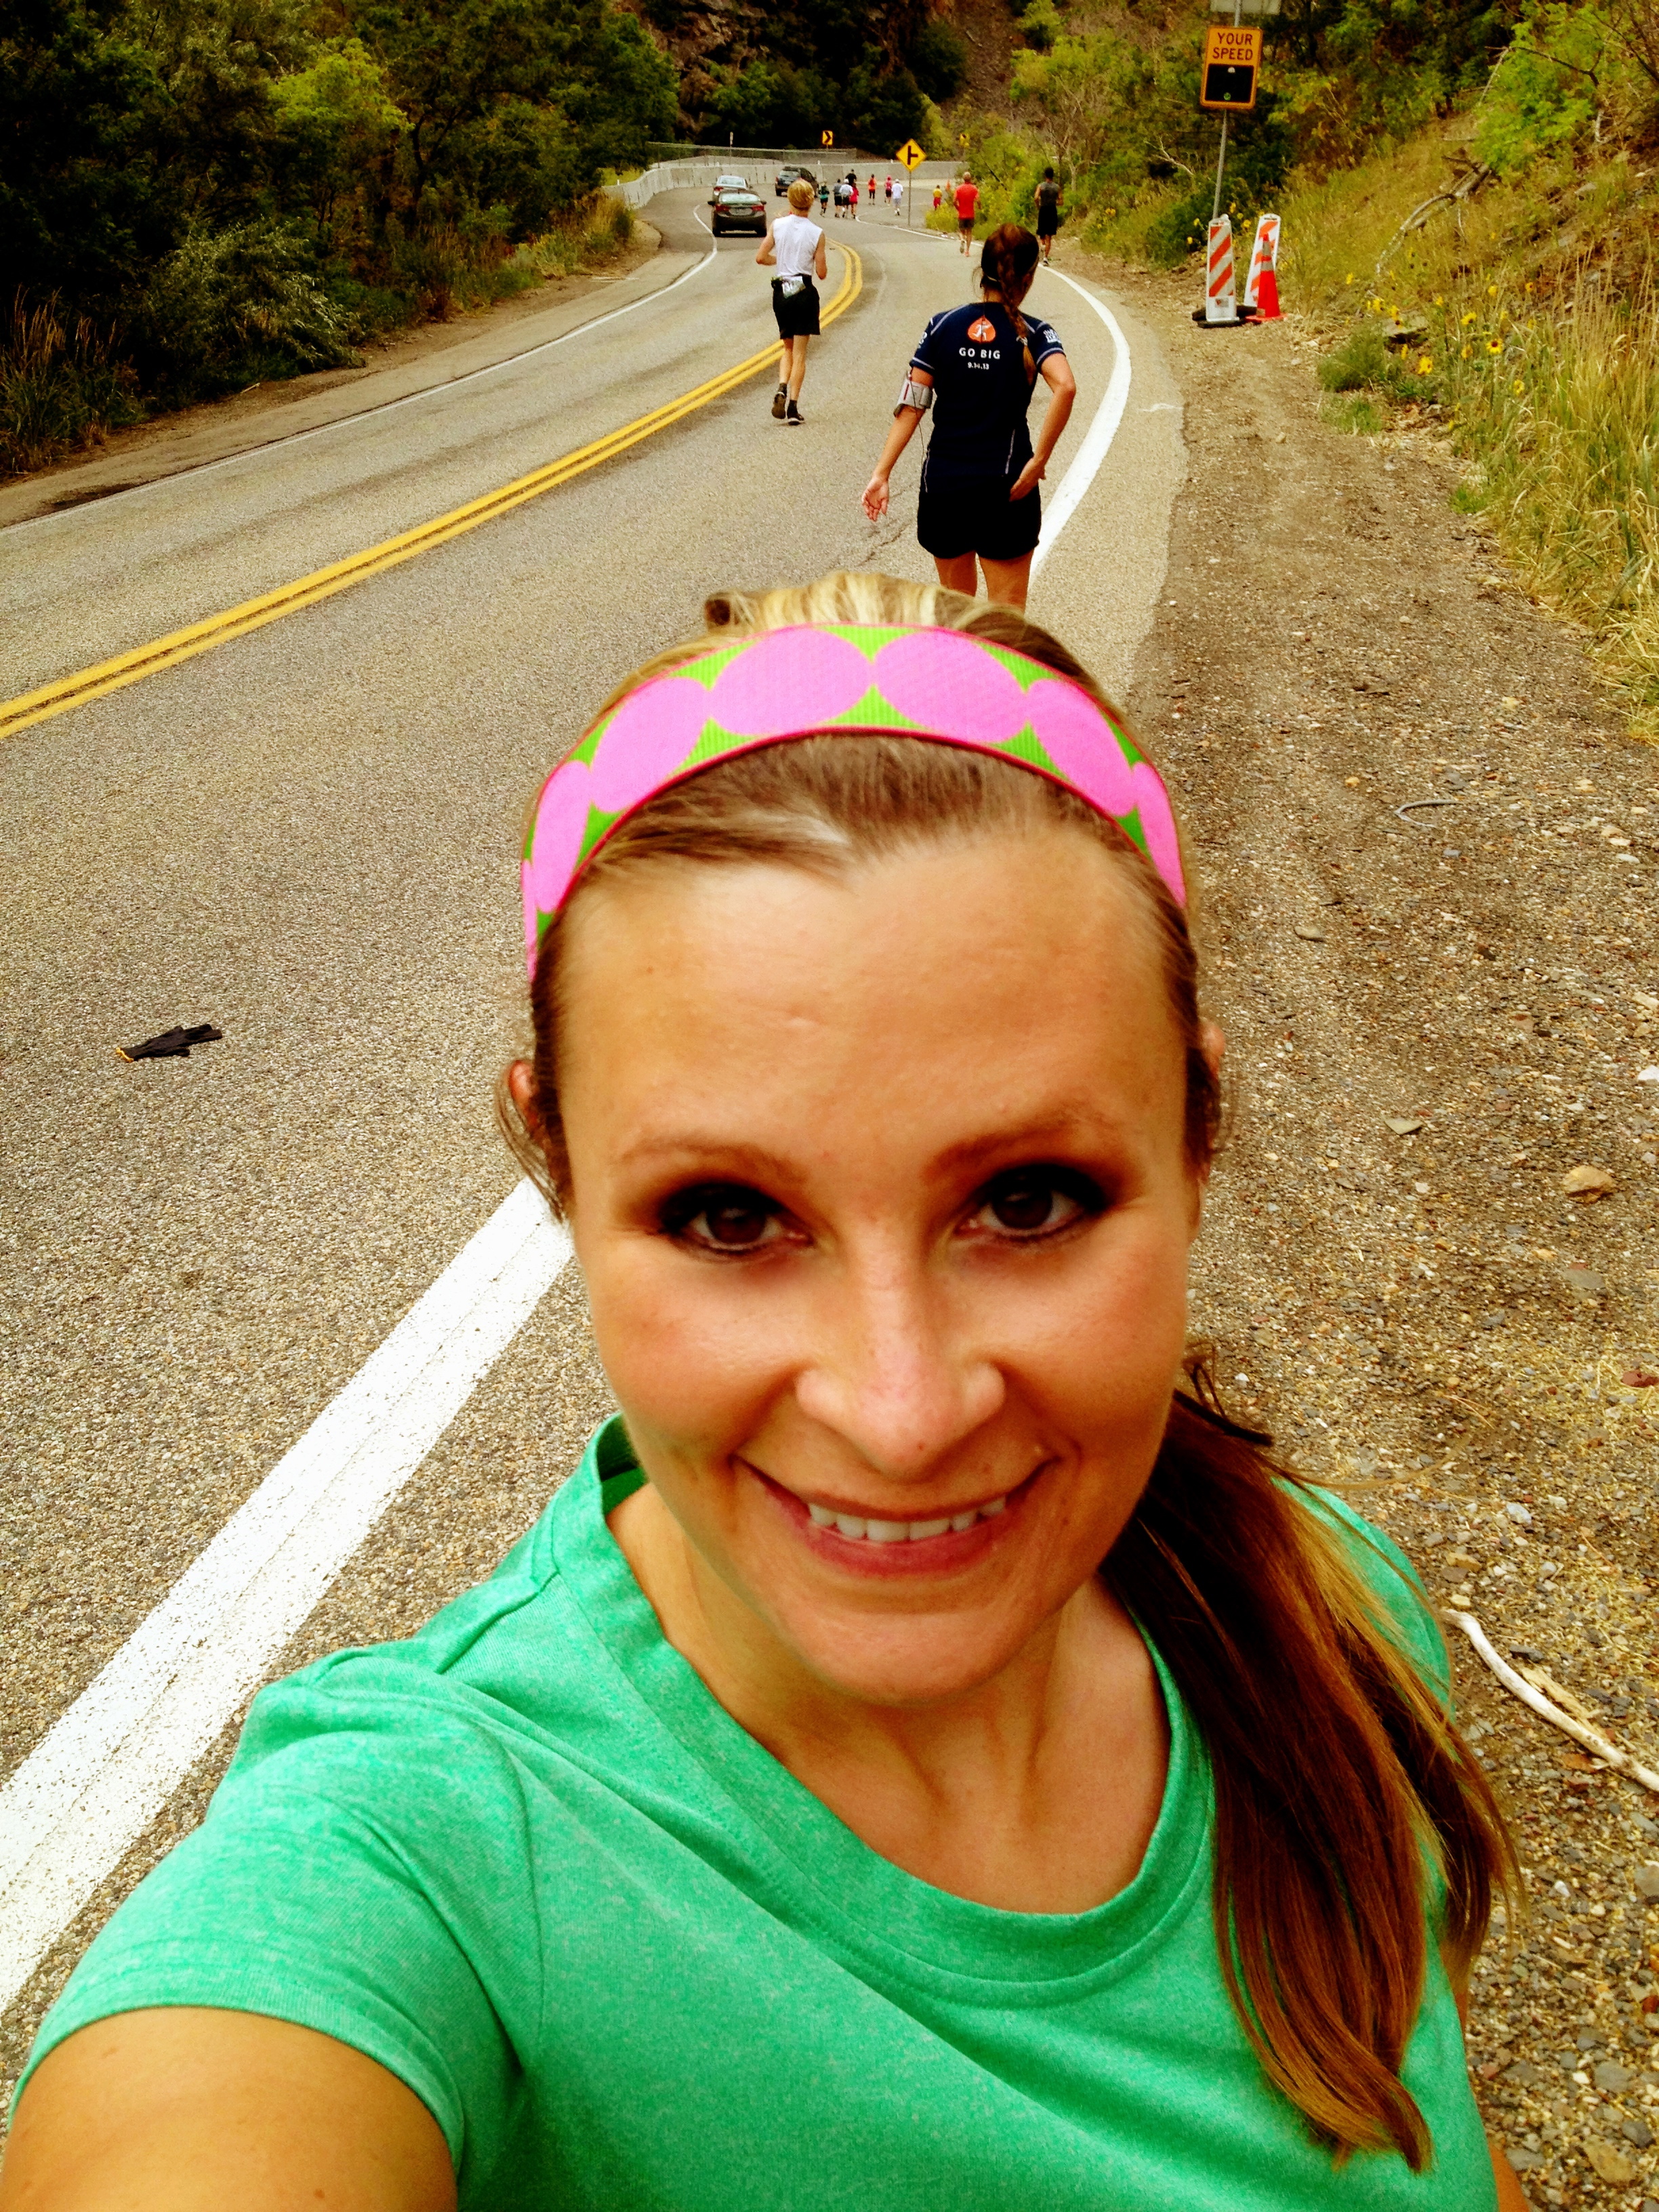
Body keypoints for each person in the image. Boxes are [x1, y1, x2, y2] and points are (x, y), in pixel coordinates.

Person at [1, 567, 1531, 2212]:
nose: (900, 1410)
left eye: (1026, 1200)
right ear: (559, 1172)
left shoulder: (1325, 1615)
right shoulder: (418, 1852)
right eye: (730, 1218)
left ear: (1196, 1137)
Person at [861, 224, 1076, 611]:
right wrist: (1039, 460)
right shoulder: (1037, 333)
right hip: (1007, 489)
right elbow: (1066, 387)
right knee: (1006, 617)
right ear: (1028, 277)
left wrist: (882, 473)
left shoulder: (942, 325)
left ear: (983, 270)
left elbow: (912, 405)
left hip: (944, 488)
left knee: (957, 615)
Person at [757, 176, 827, 426]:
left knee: (787, 348)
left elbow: (761, 257)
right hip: (804, 290)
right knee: (800, 353)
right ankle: (794, 407)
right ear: (811, 202)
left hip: (783, 291)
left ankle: (781, 387)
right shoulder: (817, 233)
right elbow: (822, 273)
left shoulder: (777, 225)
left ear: (790, 199)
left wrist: (782, 260)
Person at [1035, 165, 1063, 264]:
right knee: (1049, 236)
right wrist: (1054, 203)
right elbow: (1061, 201)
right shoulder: (1057, 187)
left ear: (1045, 175)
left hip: (1043, 210)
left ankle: (1042, 249)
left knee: (1041, 234)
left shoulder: (1041, 186)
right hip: (1052, 211)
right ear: (1053, 175)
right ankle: (1045, 257)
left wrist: (1038, 206)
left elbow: (1036, 198)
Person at [954, 169, 979, 253]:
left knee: (962, 231)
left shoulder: (959, 189)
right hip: (971, 214)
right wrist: (979, 206)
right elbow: (978, 200)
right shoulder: (974, 188)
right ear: (970, 178)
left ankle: (962, 239)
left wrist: (958, 208)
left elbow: (954, 201)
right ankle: (967, 251)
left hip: (962, 214)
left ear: (963, 179)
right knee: (969, 232)